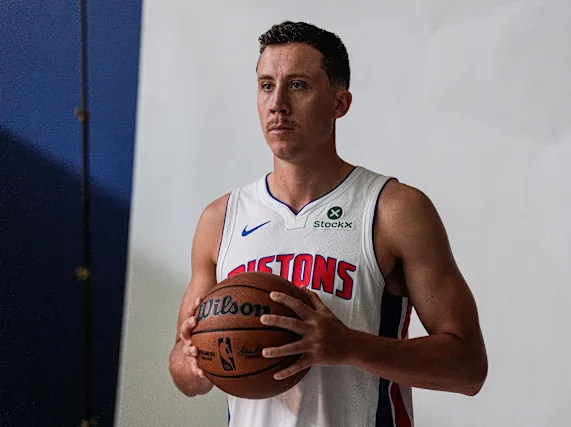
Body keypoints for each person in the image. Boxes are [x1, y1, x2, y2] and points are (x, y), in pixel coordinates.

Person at [169, 20, 488, 427]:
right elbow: (182, 372)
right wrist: (196, 359)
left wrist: (349, 346)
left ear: (340, 103)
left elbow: (468, 367)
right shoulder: (221, 218)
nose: (277, 103)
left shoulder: (393, 210)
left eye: (298, 85)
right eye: (266, 86)